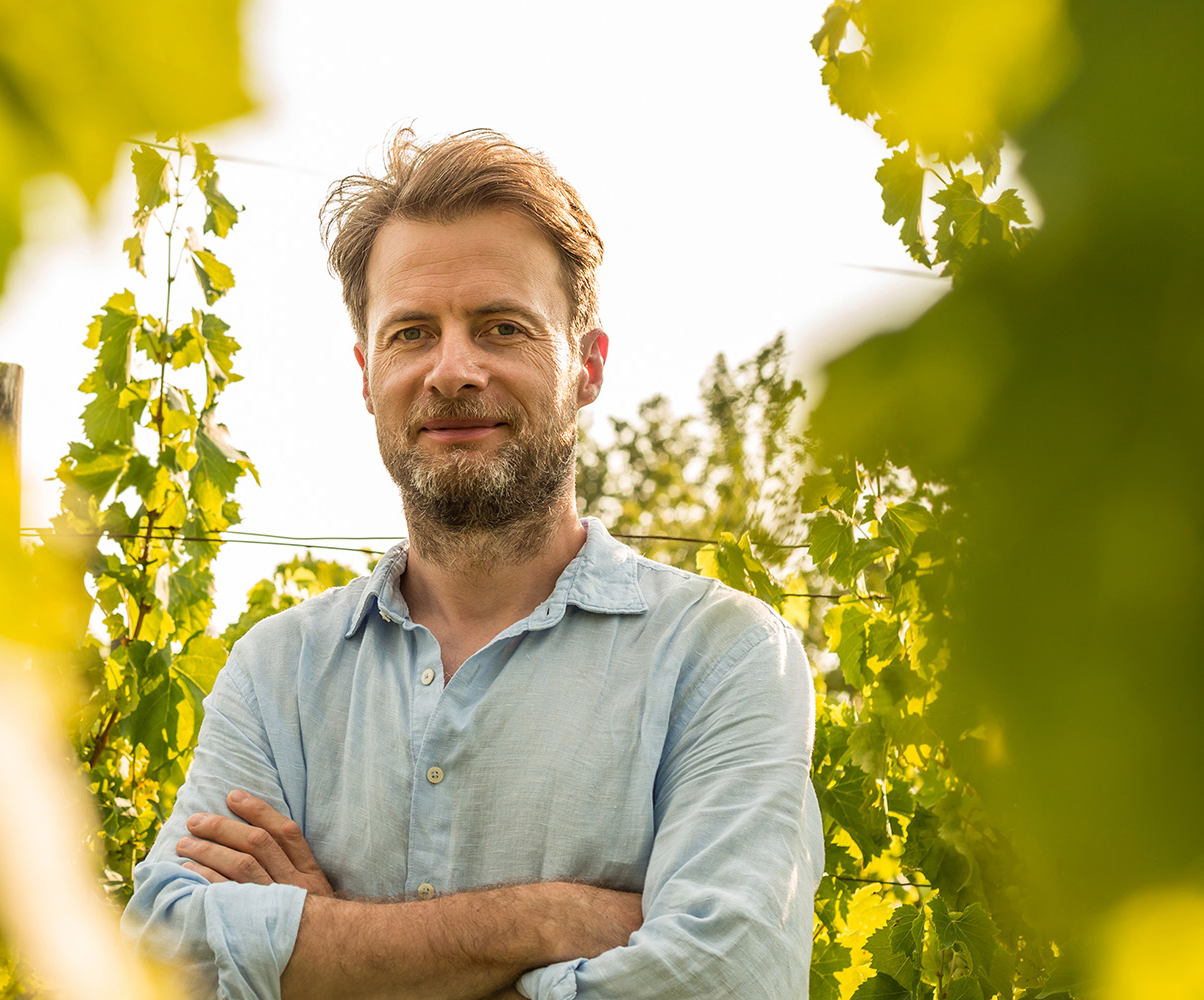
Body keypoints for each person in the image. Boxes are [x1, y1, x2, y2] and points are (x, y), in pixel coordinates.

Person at [123, 130, 818, 1000]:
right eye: (412, 332)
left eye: (502, 328)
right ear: (367, 373)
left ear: (587, 365)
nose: (452, 371)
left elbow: (724, 979)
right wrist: (544, 920)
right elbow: (162, 959)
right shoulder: (277, 673)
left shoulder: (720, 657)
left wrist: (327, 956)